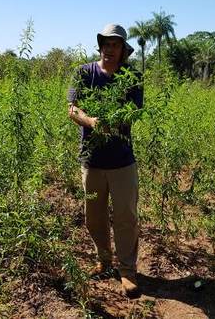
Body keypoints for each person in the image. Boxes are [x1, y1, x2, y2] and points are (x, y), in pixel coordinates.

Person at [67, 23, 143, 298]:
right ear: (100, 46)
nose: (110, 49)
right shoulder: (85, 73)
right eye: (106, 44)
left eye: (115, 44)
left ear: (123, 49)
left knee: (126, 217)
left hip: (123, 163)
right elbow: (73, 109)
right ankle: (104, 260)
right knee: (94, 216)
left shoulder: (132, 75)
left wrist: (115, 121)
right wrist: (92, 121)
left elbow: (136, 112)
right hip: (93, 162)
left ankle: (127, 271)